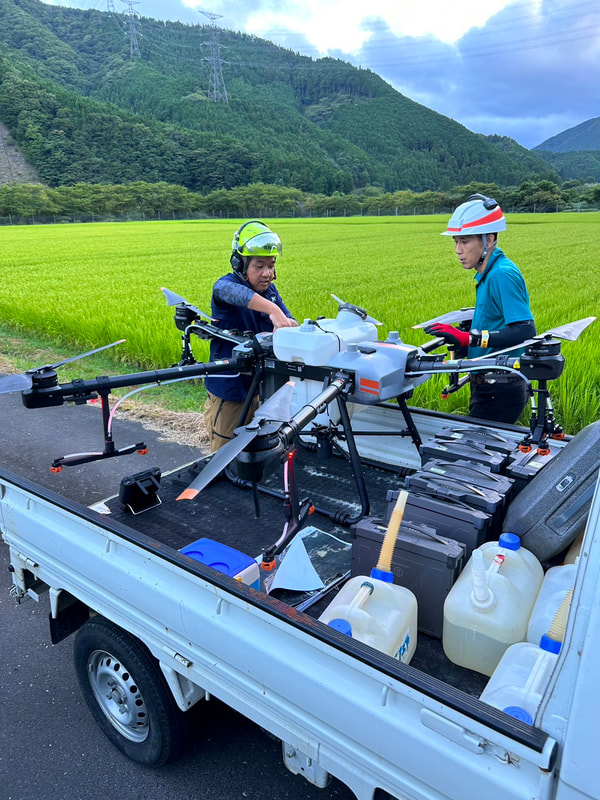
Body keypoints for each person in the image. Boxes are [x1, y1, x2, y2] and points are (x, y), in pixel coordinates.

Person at [424, 194, 536, 424]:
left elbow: (525, 331)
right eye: (455, 242)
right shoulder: (489, 273)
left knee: (478, 453)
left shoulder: (501, 274)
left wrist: (469, 339)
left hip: (499, 389)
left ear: (489, 240)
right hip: (491, 383)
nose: (458, 250)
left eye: (465, 242)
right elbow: (498, 321)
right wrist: (467, 337)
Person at [204, 220, 298, 452]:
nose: (268, 273)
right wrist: (273, 311)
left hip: (260, 387)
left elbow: (286, 321)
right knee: (224, 454)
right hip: (231, 388)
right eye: (259, 266)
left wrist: (290, 325)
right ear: (240, 263)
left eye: (271, 265)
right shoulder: (227, 285)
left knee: (255, 449)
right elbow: (226, 291)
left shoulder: (270, 292)